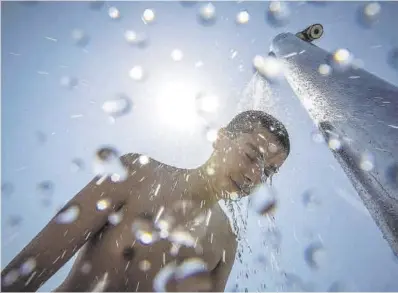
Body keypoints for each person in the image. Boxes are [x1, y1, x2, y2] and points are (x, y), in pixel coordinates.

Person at [1, 110, 290, 292]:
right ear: (221, 138)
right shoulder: (138, 173)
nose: (255, 175)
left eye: (269, 171)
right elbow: (36, 262)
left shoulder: (226, 241)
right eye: (252, 155)